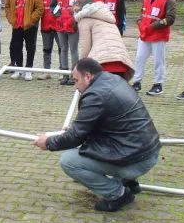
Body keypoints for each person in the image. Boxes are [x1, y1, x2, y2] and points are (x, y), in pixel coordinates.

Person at [33, 58, 160, 212]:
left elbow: (75, 137)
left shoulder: (95, 95)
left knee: (69, 161)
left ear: (88, 76)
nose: (75, 86)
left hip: (135, 158)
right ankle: (128, 181)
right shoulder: (113, 79)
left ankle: (118, 194)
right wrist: (75, 127)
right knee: (88, 144)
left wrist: (48, 143)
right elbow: (89, 125)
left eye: (76, 80)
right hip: (147, 150)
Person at [131, 0, 176, 96]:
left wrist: (153, 26)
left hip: (158, 36)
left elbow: (171, 18)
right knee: (139, 58)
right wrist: (140, 21)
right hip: (145, 34)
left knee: (158, 61)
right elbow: (143, 11)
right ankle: (137, 82)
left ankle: (158, 84)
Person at [74, 1, 135, 80]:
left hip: (104, 63)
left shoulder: (84, 20)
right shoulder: (107, 17)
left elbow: (85, 47)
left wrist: (82, 67)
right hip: (121, 61)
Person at [5, 0, 44, 81]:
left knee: (30, 47)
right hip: (17, 24)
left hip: (29, 25)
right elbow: (7, 6)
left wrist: (32, 20)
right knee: (17, 47)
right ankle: (19, 69)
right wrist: (11, 19)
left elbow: (40, 8)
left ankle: (29, 69)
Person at [53, 0, 86, 85]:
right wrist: (57, 15)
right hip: (60, 25)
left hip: (73, 25)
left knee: (73, 50)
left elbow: (87, 5)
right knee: (63, 49)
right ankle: (64, 74)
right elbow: (53, 6)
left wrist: (78, 14)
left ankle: (74, 75)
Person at [37, 0, 61, 80]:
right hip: (46, 25)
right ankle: (47, 71)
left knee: (62, 48)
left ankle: (63, 71)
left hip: (59, 25)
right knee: (46, 49)